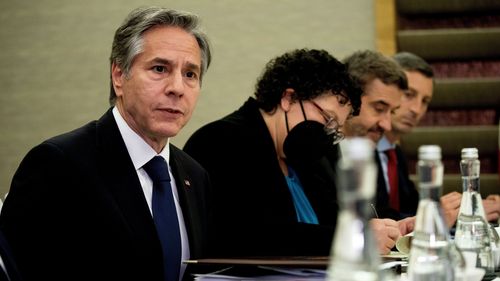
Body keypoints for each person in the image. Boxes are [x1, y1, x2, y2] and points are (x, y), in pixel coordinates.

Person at [0, 7, 212, 281]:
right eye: (160, 68)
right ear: (118, 76)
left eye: (190, 74)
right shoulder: (58, 164)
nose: (177, 88)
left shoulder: (195, 176)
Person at [184, 48, 363, 257]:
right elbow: (251, 236)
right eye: (327, 119)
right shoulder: (220, 141)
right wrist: (350, 237)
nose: (327, 134)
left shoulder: (312, 162)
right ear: (288, 98)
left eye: (335, 129)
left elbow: (335, 222)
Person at [340, 49, 416, 253]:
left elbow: (379, 213)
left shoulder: (368, 151)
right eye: (379, 108)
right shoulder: (312, 153)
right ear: (347, 98)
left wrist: (399, 226)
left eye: (392, 112)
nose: (387, 125)